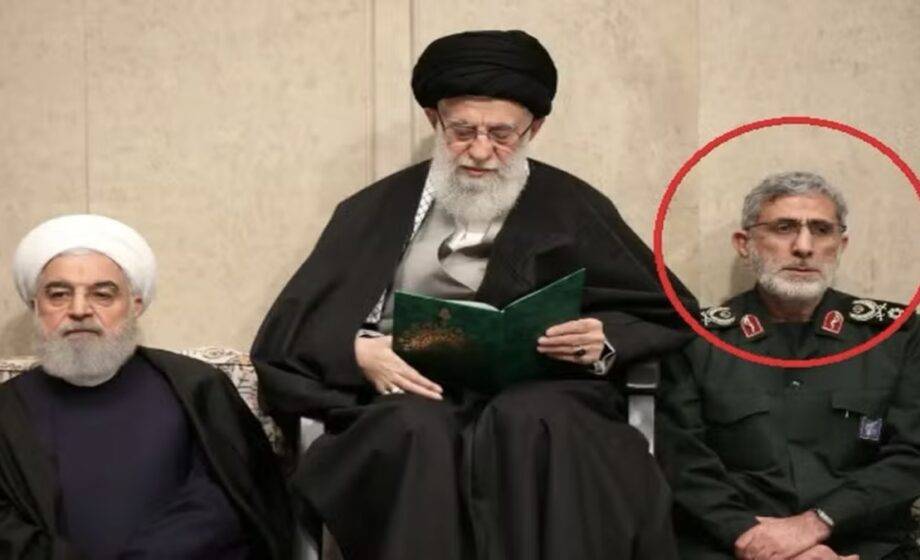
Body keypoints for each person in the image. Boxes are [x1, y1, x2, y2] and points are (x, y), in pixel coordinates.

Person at [252, 29, 696, 560]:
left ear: (535, 128)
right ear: (434, 120)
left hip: (547, 393)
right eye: (462, 131)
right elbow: (292, 334)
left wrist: (603, 339)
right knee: (415, 430)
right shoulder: (375, 209)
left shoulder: (572, 204)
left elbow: (666, 309)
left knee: (538, 422)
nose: (481, 151)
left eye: (502, 134)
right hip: (411, 395)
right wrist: (357, 352)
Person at [657, 171, 920, 560]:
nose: (804, 247)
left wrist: (816, 525)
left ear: (841, 244)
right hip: (733, 546)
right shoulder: (695, 340)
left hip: (865, 546)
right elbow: (681, 458)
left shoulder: (897, 336)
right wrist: (756, 541)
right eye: (784, 228)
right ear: (744, 244)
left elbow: (912, 454)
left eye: (821, 230)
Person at [0, 214, 293, 560]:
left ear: (134, 305)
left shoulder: (197, 386)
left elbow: (229, 501)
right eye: (59, 295)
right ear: (35, 306)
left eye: (102, 294)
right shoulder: (7, 408)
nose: (79, 310)